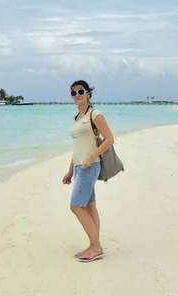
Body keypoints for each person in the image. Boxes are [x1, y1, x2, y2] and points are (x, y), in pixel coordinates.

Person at [62, 79, 115, 262]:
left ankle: (96, 247)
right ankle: (94, 244)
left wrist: (92, 157)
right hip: (79, 167)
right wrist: (70, 171)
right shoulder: (77, 118)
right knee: (89, 205)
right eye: (73, 92)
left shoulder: (95, 115)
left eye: (81, 91)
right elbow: (77, 147)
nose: (77, 95)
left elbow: (109, 139)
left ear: (88, 93)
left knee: (76, 206)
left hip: (90, 166)